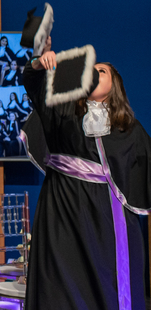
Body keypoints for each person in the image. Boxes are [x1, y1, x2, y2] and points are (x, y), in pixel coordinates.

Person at [23, 44, 151, 310]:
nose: (93, 73)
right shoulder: (61, 112)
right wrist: (38, 62)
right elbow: (35, 85)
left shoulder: (129, 129)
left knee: (105, 289)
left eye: (102, 71)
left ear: (115, 86)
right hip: (62, 214)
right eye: (90, 69)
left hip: (107, 223)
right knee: (59, 289)